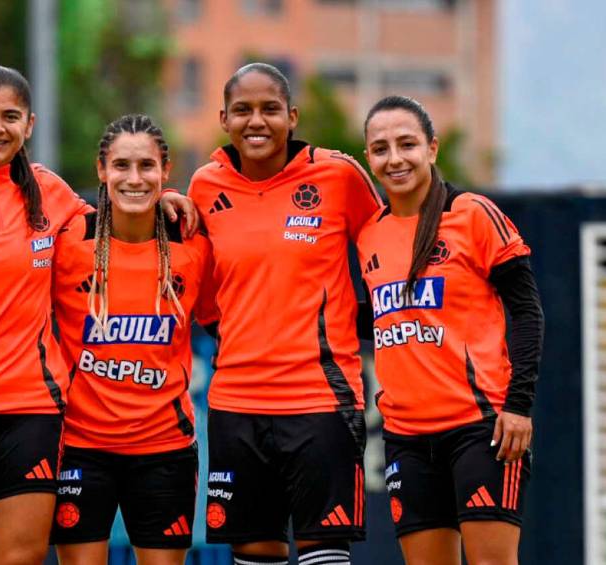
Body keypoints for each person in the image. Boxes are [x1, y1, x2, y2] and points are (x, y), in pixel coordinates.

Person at [0, 66, 196, 565]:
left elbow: (113, 211)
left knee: (21, 557)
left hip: (29, 415)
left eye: (10, 116)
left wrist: (163, 201)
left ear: (30, 124)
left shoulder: (50, 192)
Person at [187, 62, 382, 565]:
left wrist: (357, 322)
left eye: (270, 109)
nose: (257, 121)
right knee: (255, 552)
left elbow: (389, 252)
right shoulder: (204, 187)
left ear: (292, 116)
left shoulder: (338, 176)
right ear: (224, 119)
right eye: (243, 110)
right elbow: (206, 297)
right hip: (235, 406)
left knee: (323, 552)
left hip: (320, 400)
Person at [357, 95, 544, 565]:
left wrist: (518, 406)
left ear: (432, 149)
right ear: (368, 159)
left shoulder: (473, 214)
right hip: (405, 436)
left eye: (407, 144)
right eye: (381, 148)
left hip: (479, 428)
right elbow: (381, 319)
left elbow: (527, 312)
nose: (394, 158)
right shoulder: (369, 235)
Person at [49, 114, 215, 565]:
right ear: (101, 170)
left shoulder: (193, 244)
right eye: (121, 166)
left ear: (166, 169)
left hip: (165, 449)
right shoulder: (67, 243)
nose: (134, 178)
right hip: (81, 447)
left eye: (147, 166)